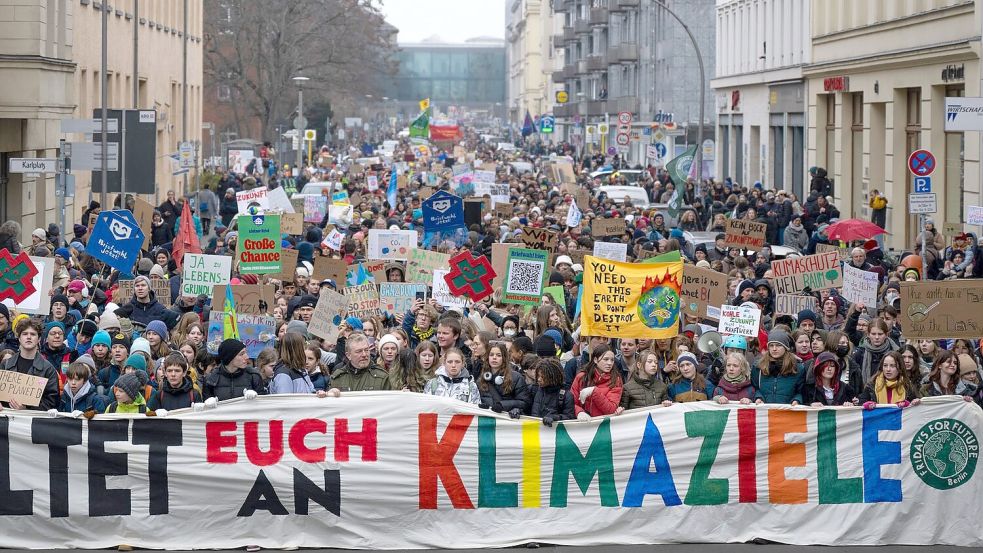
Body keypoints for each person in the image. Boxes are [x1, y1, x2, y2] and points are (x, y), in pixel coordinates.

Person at [1, 318, 59, 410]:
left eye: (33, 334)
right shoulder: (5, 364)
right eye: (24, 334)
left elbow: (52, 402)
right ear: (19, 338)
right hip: (6, 420)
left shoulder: (48, 369)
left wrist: (27, 409)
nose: (28, 337)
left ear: (39, 339)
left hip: (32, 422)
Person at [478, 341, 531, 417]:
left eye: (498, 355)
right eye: (491, 355)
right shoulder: (481, 379)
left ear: (504, 358)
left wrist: (503, 405)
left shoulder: (516, 377)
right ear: (487, 357)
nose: (494, 358)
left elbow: (525, 402)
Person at [570, 344, 623, 420]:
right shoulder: (581, 377)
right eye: (606, 359)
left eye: (612, 360)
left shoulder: (616, 380)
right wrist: (579, 412)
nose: (610, 363)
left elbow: (611, 409)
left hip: (602, 427)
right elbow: (571, 403)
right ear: (595, 360)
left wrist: (594, 391)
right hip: (582, 426)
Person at [752, 329, 804, 405]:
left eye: (778, 345)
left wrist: (797, 400)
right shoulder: (758, 366)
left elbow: (801, 391)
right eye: (771, 345)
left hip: (788, 413)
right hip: (764, 413)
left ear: (786, 347)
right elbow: (754, 388)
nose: (774, 349)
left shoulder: (797, 368)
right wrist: (758, 397)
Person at [531, 357, 574, 426]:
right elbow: (526, 408)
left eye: (543, 377)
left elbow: (570, 417)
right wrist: (518, 410)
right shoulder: (534, 390)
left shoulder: (566, 395)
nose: (539, 379)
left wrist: (555, 417)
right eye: (538, 376)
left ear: (552, 377)